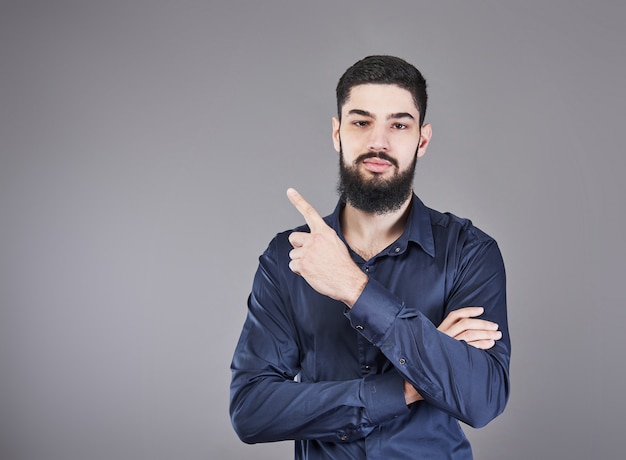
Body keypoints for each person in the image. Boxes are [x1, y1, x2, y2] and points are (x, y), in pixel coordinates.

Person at [230, 55, 510, 459]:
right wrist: (412, 384)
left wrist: (354, 288)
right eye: (361, 122)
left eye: (398, 124)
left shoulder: (470, 252)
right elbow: (251, 410)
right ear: (337, 132)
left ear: (422, 140)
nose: (379, 141)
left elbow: (482, 399)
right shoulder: (288, 257)